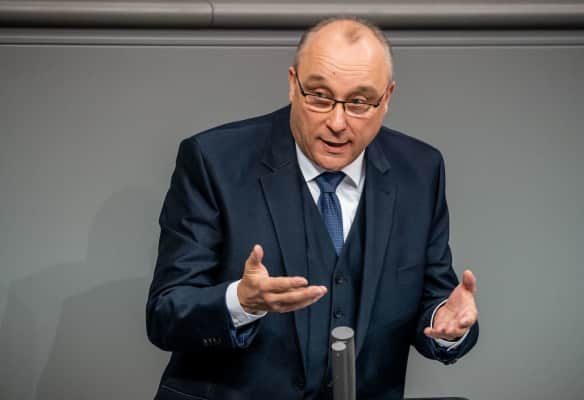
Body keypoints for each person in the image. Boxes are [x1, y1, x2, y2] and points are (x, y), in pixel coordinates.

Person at [146, 16, 479, 400]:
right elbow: (165, 314)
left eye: (359, 102)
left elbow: (435, 300)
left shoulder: (420, 171)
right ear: (293, 84)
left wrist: (446, 323)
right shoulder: (213, 161)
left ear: (386, 98)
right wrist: (241, 302)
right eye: (319, 96)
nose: (337, 122)